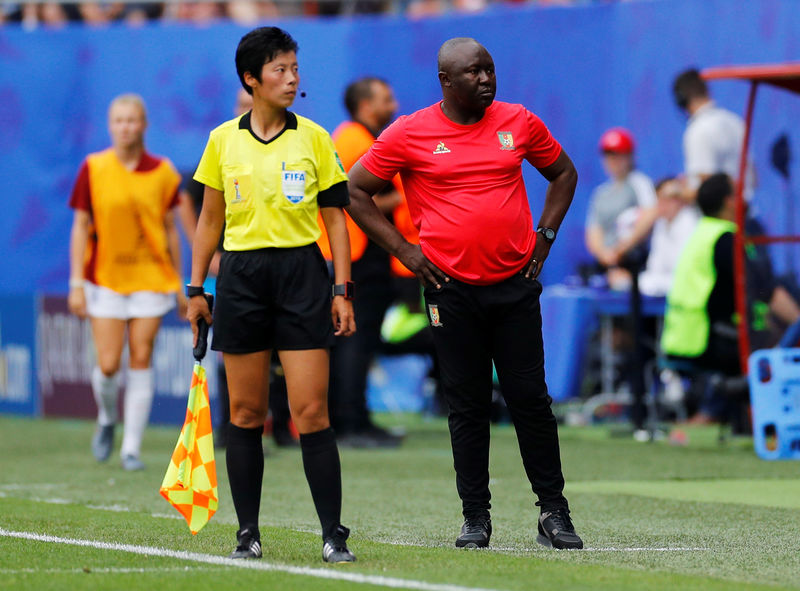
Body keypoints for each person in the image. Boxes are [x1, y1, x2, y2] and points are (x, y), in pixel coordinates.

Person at [345, 37, 583, 550]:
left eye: (489, 69)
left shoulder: (518, 121)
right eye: (473, 72)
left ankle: (554, 512)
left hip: (514, 286)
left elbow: (563, 173)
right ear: (446, 82)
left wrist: (543, 239)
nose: (485, 79)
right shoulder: (410, 131)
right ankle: (476, 517)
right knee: (467, 405)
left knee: (530, 400)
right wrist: (405, 251)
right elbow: (353, 190)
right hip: (449, 290)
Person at [187, 26, 357, 563]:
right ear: (251, 79)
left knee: (310, 411)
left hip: (302, 275)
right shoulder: (222, 140)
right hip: (240, 278)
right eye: (280, 70)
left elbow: (336, 221)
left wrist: (341, 290)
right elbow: (209, 219)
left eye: (294, 69)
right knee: (244, 411)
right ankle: (248, 534)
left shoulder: (314, 137)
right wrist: (195, 289)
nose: (291, 79)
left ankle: (333, 535)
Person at [67, 94, 186, 472]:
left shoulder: (164, 171)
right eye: (118, 120)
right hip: (105, 278)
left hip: (152, 277)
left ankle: (130, 449)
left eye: (132, 120)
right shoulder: (94, 167)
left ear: (144, 124)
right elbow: (82, 226)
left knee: (140, 355)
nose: (125, 127)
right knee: (106, 365)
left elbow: (171, 230)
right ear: (109, 125)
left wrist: (182, 284)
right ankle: (106, 418)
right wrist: (75, 282)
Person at [661, 174, 800, 423]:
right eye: (737, 192)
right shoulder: (726, 240)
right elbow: (766, 291)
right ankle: (717, 415)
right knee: (778, 345)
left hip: (683, 337)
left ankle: (725, 414)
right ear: (728, 201)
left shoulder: (703, 232)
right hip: (706, 340)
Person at [318, 76, 410, 447]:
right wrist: (403, 200)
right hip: (354, 255)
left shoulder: (353, 138)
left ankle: (355, 419)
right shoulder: (357, 141)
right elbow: (349, 199)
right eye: (386, 98)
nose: (394, 104)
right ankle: (350, 423)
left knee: (358, 340)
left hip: (360, 255)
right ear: (366, 106)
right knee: (354, 340)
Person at [584, 127, 657, 289]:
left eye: (619, 155)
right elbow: (594, 231)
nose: (614, 161)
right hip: (607, 265)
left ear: (630, 156)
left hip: (635, 263)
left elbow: (650, 215)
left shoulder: (640, 183)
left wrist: (620, 250)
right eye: (610, 156)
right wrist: (605, 255)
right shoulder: (601, 193)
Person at [672, 68, 756, 203]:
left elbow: (710, 191)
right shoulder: (735, 121)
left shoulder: (698, 130)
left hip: (722, 219)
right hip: (744, 211)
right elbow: (753, 179)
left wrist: (676, 192)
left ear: (681, 100)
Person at [638, 177, 700, 297]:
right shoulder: (661, 224)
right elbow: (655, 268)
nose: (663, 204)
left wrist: (636, 281)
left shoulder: (690, 222)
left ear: (682, 200)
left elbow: (683, 278)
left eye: (671, 198)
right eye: (660, 198)